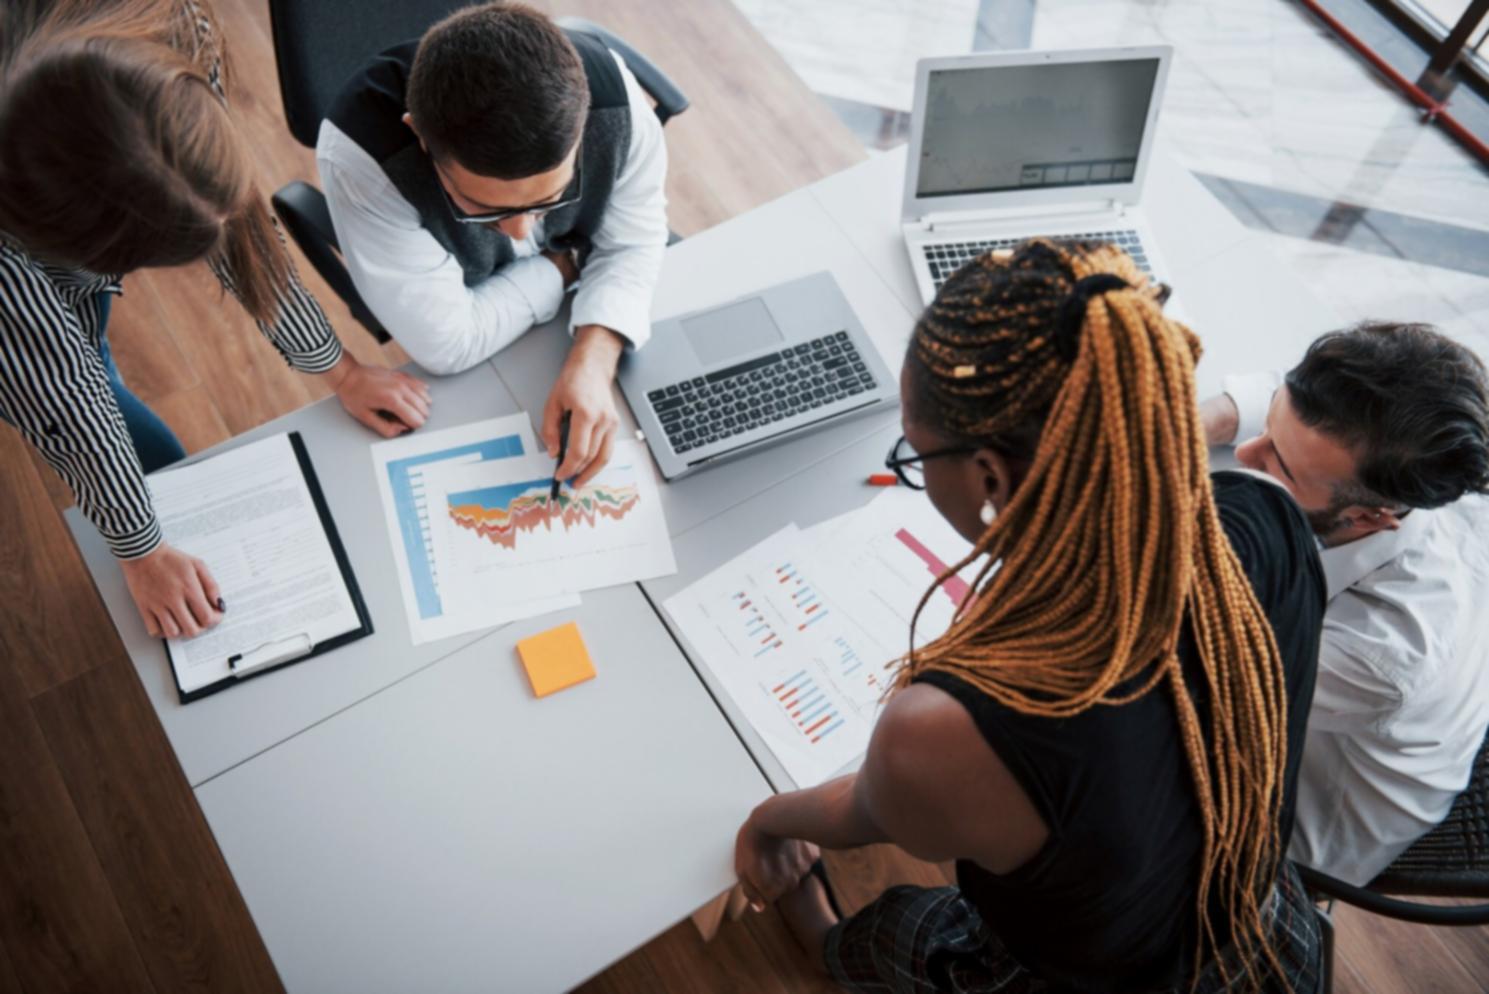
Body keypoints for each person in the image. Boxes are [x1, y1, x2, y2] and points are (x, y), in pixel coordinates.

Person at [734, 240, 1328, 993]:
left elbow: (864, 813)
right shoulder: (1261, 513)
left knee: (887, 933)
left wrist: (767, 821)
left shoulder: (944, 731)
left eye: (914, 454)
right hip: (1259, 925)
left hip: (1079, 978)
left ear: (989, 475)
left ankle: (826, 948)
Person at [0, 0, 430, 641]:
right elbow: (62, 389)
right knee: (96, 388)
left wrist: (338, 369)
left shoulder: (176, 29)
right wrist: (141, 549)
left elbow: (226, 210)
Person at [317, 1, 668, 489]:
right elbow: (449, 343)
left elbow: (636, 242)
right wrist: (567, 265)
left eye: (550, 199)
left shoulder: (618, 106)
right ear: (418, 135)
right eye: (483, 207)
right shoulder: (362, 165)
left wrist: (594, 356)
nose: (522, 232)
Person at [1200, 323, 1489, 885]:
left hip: (1281, 839)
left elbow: (1178, 664)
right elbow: (1279, 402)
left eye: (1274, 462)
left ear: (1367, 518)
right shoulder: (1404, 465)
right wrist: (1190, 422)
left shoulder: (1384, 653)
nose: (1245, 452)